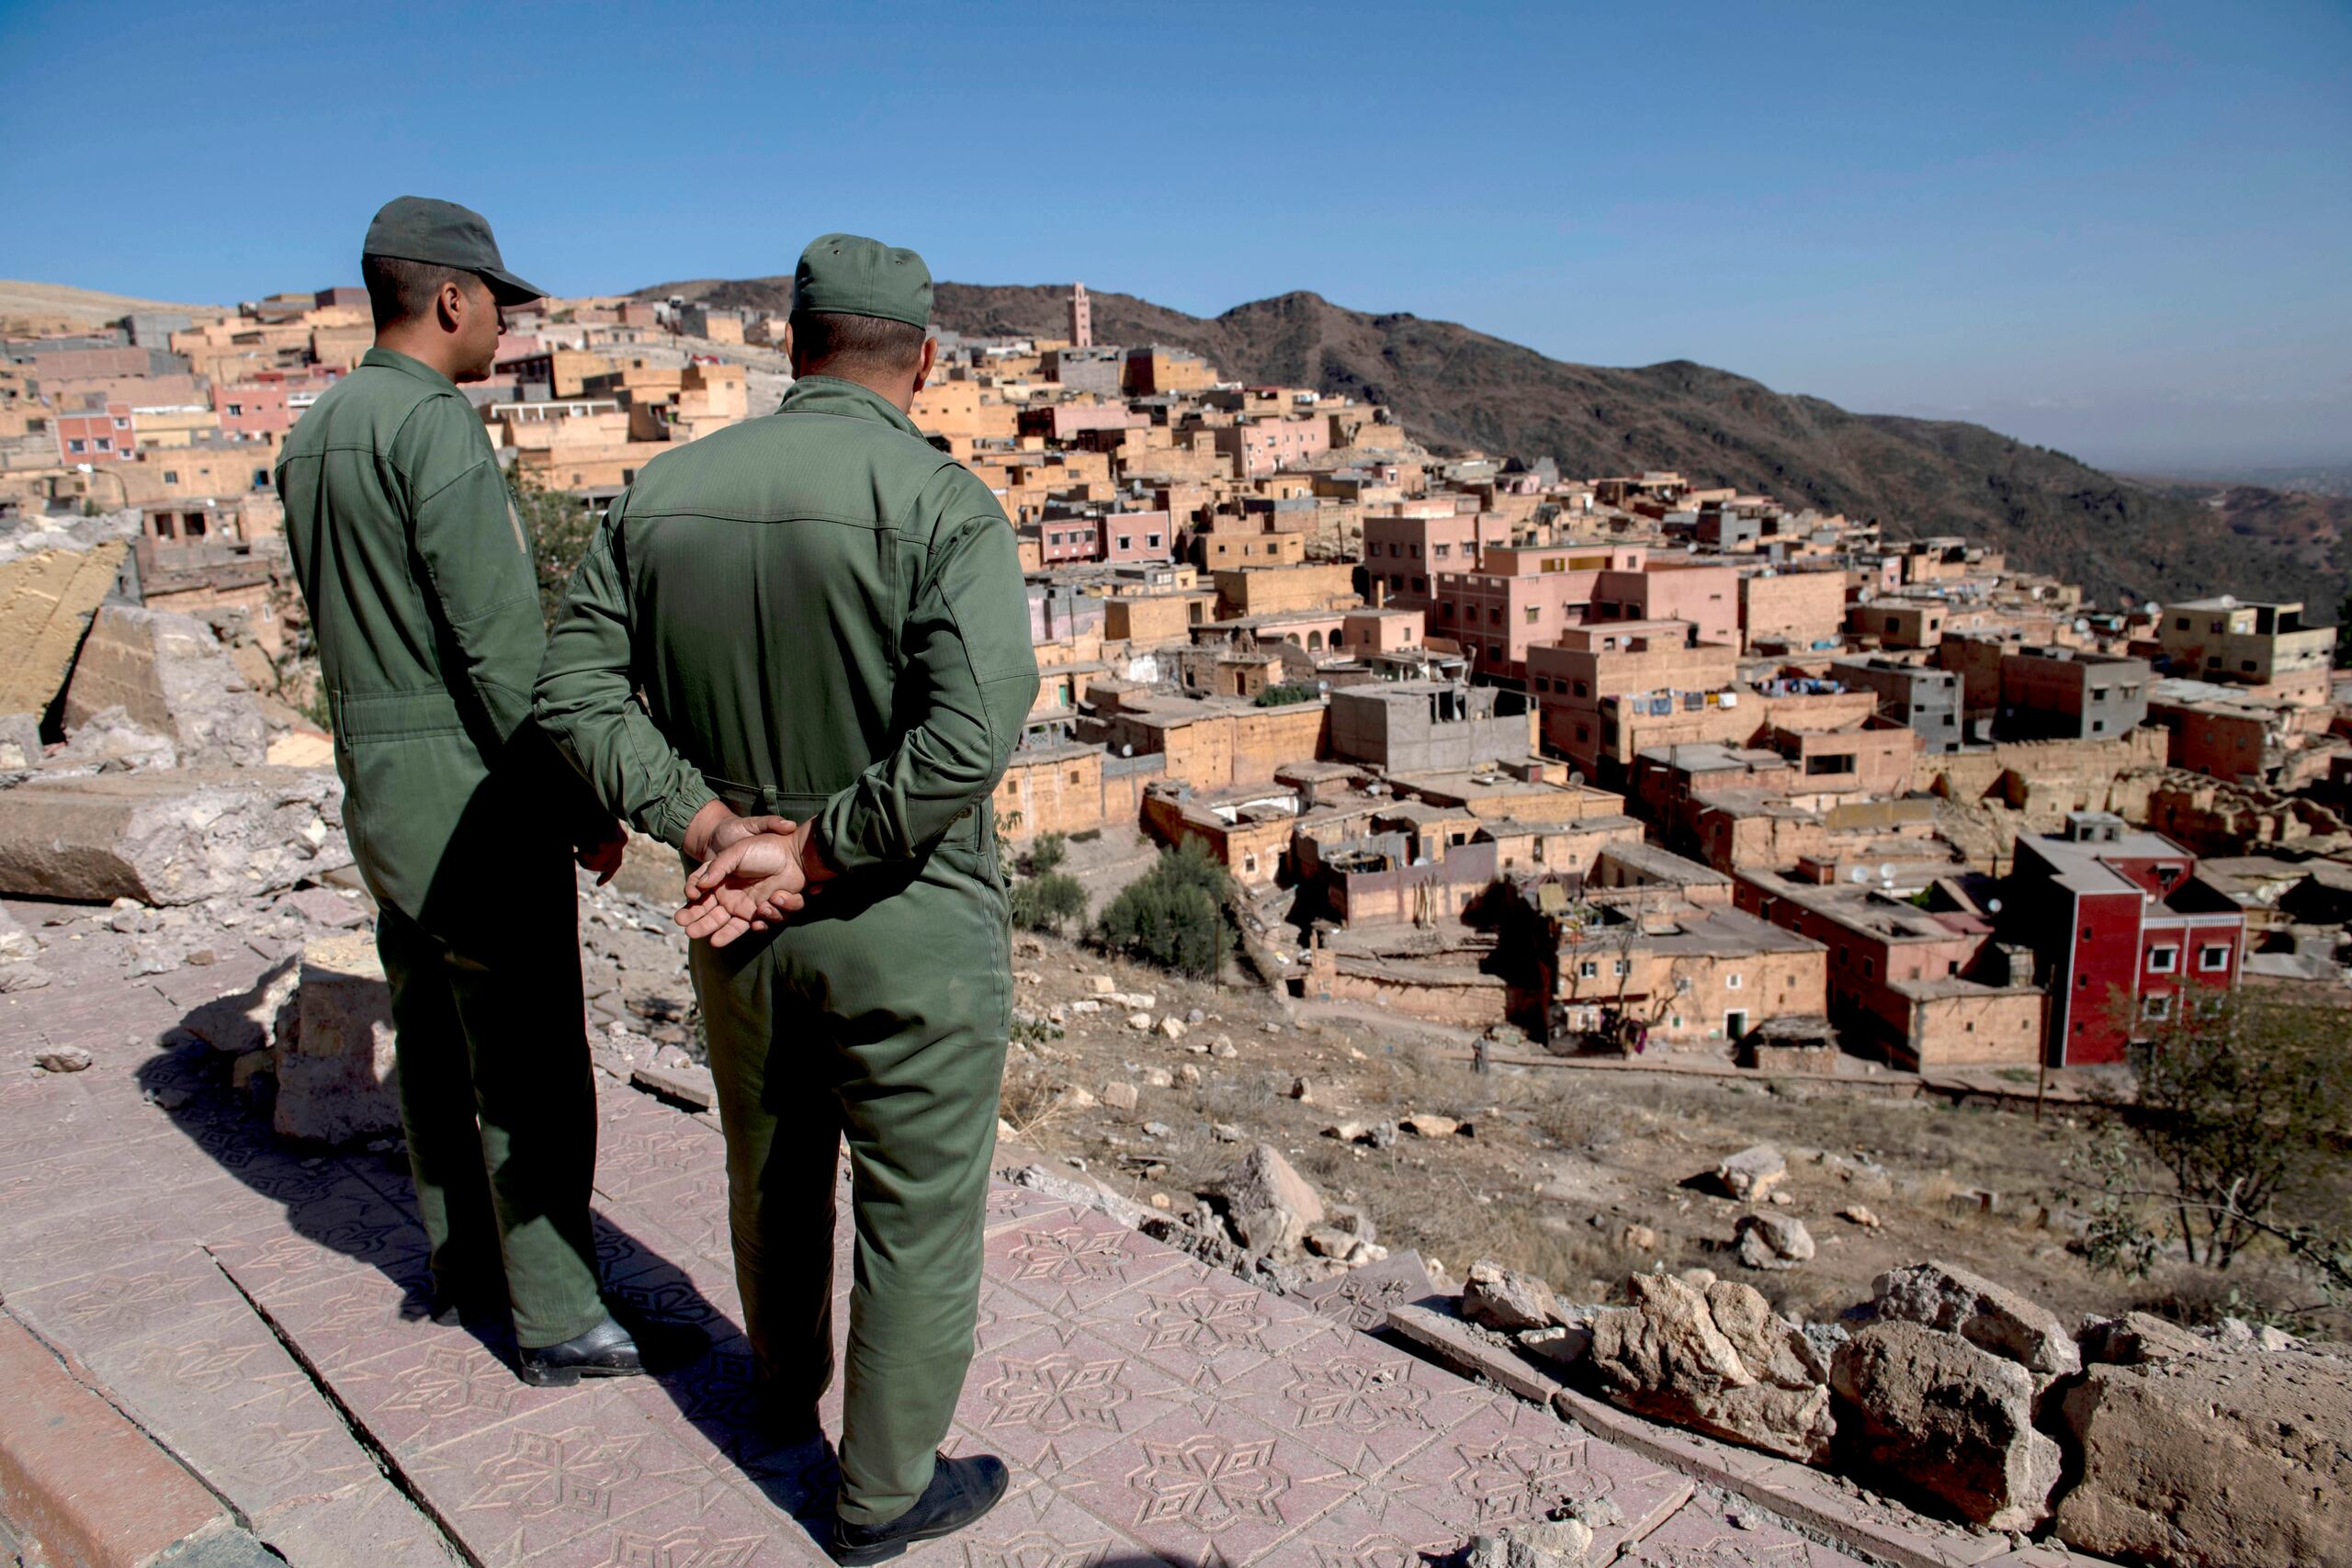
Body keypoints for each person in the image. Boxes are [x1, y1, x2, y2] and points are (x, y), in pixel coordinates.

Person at [535, 232, 1038, 1564]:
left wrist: (705, 824)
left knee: (771, 1174)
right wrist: (818, 852)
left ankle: (776, 1396)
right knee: (917, 1211)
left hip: (732, 918)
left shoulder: (664, 494)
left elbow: (572, 691)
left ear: (792, 343)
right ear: (924, 358)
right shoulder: (943, 507)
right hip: (906, 919)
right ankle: (881, 1496)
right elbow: (967, 738)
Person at [276, 196, 687, 1386]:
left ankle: (464, 1266)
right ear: (449, 297)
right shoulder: (433, 428)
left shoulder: (317, 433)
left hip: (378, 785)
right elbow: (503, 655)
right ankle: (560, 1316)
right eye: (499, 300)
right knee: (529, 1064)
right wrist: (582, 804)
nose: (508, 323)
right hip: (472, 793)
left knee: (434, 1044)